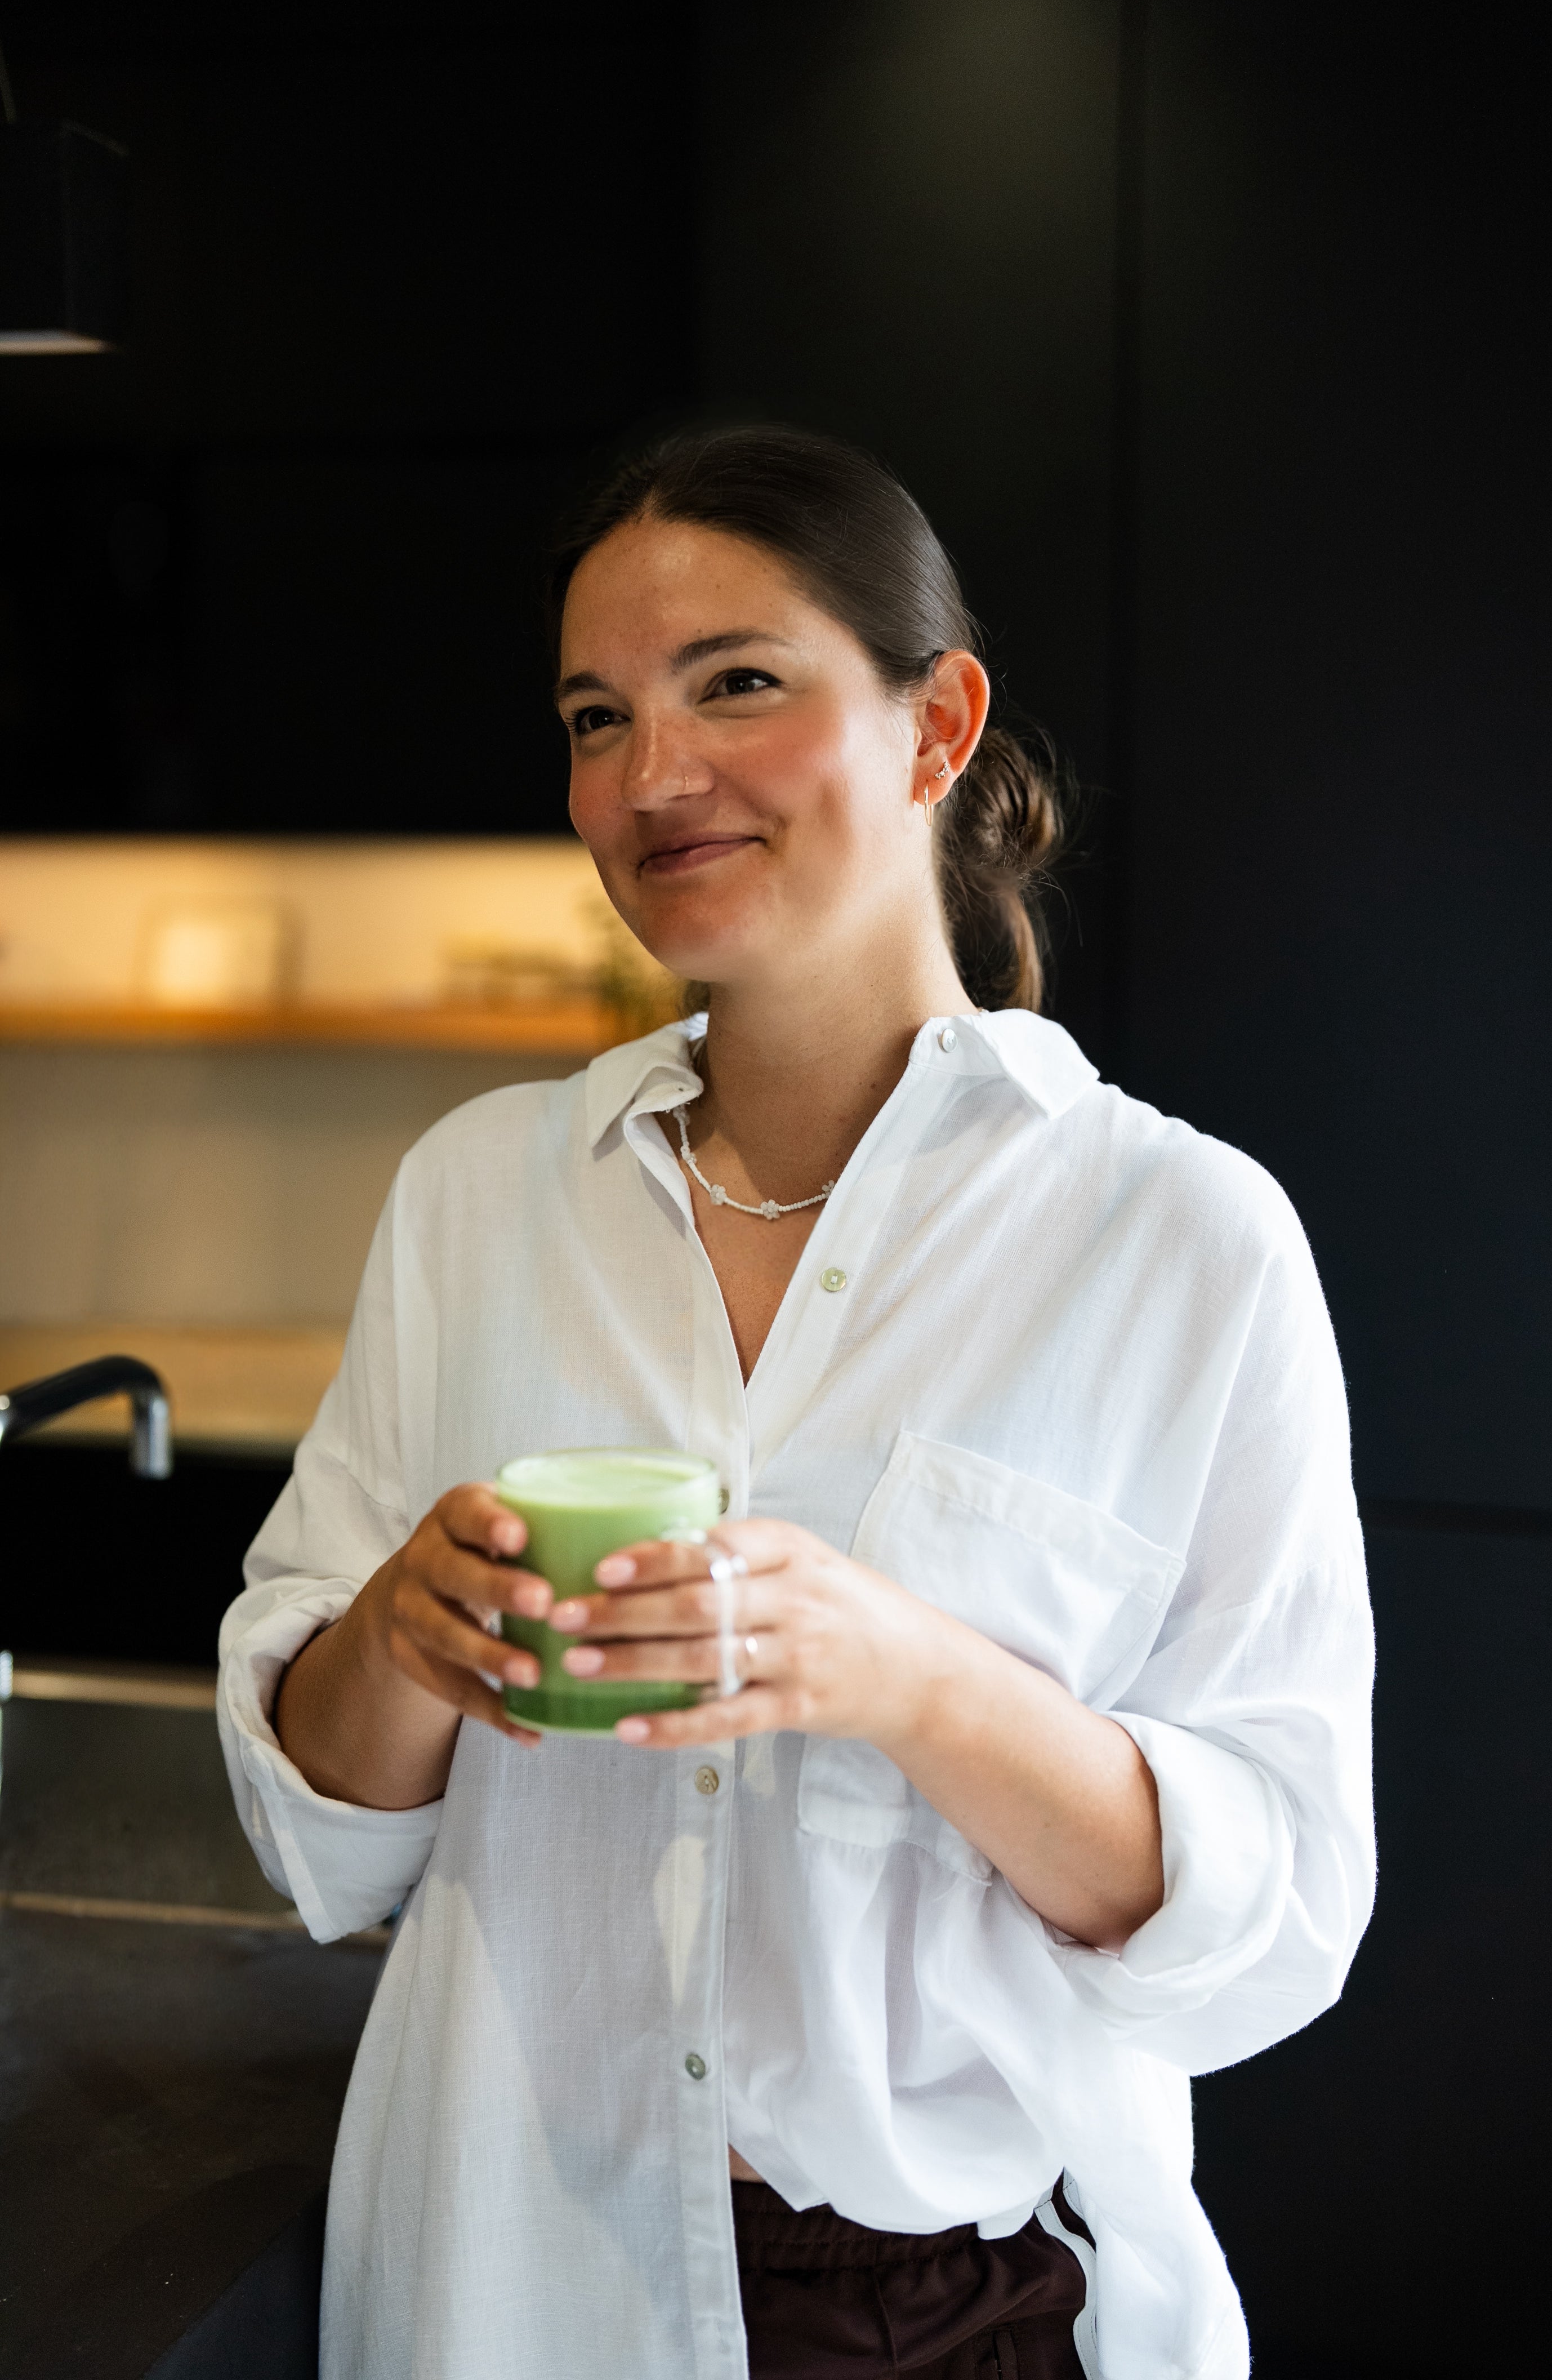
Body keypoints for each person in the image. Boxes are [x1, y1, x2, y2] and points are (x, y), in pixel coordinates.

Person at [218, 425, 1375, 2380]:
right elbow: (319, 1849)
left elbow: (1268, 1928)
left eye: (735, 683)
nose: (650, 777)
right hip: (512, 2289)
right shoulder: (479, 1195)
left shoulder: (1180, 1238)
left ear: (940, 729)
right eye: (596, 717)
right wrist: (404, 1635)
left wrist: (908, 1676)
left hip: (962, 2311)